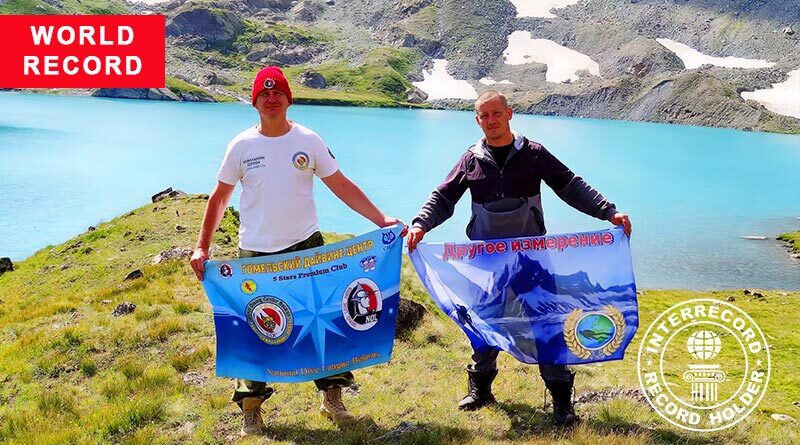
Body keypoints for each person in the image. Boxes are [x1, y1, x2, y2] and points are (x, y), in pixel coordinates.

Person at [190, 66, 405, 436]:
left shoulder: (309, 140)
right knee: (254, 330)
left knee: (323, 320)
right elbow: (220, 197)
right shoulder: (241, 146)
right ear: (255, 102)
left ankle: (332, 398)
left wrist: (381, 218)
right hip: (255, 256)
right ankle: (251, 409)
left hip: (307, 249)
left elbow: (340, 184)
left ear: (289, 100)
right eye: (264, 94)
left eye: (278, 94)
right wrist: (201, 246)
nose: (271, 99)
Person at [406, 90, 631, 426]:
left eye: (497, 114)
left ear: (509, 114)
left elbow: (571, 185)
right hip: (486, 266)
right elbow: (443, 197)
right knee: (482, 325)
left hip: (533, 263)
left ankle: (562, 404)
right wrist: (422, 223)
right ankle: (480, 390)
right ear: (477, 120)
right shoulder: (470, 160)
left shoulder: (535, 154)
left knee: (548, 328)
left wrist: (607, 212)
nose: (491, 121)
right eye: (484, 116)